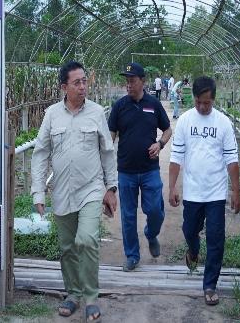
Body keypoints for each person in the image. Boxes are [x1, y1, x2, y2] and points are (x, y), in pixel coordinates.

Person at [31, 61, 118, 321]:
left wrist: (110, 188)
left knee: (86, 240)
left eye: (84, 81)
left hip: (91, 189)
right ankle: (73, 294)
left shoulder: (96, 113)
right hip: (61, 191)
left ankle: (91, 297)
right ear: (64, 87)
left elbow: (107, 152)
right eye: (77, 82)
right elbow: (40, 153)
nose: (83, 87)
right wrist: (38, 191)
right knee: (67, 246)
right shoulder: (51, 115)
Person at [168, 76, 240, 306]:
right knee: (190, 230)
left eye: (206, 103)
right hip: (192, 191)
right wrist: (172, 187)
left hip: (216, 192)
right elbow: (176, 157)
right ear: (194, 98)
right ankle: (192, 250)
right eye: (198, 102)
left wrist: (236, 191)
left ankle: (210, 285)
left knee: (216, 238)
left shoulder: (223, 123)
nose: (202, 107)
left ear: (214, 100)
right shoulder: (185, 121)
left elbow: (232, 158)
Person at [108, 62, 172, 272]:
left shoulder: (153, 104)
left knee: (155, 210)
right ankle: (132, 256)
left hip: (150, 169)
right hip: (126, 171)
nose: (129, 85)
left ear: (142, 81)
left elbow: (167, 130)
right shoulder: (119, 106)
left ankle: (151, 234)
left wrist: (160, 144)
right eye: (126, 81)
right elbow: (111, 137)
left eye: (132, 81)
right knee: (127, 215)